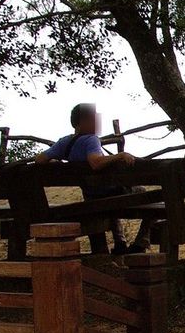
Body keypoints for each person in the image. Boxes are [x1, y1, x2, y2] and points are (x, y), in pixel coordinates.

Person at [35, 103, 151, 255]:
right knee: (148, 197)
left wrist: (54, 162)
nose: (97, 121)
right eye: (93, 118)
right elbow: (95, 162)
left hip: (91, 196)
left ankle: (120, 242)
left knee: (107, 201)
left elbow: (39, 160)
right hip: (110, 194)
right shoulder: (91, 140)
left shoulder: (64, 143)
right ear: (82, 122)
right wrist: (121, 155)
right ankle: (141, 243)